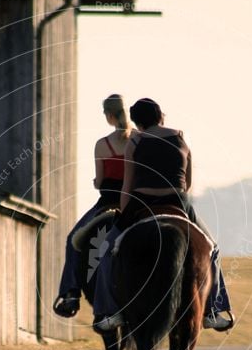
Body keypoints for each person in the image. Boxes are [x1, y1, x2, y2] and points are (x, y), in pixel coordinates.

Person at [92, 97, 234, 332]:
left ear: (137, 122)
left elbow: (127, 185)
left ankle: (111, 312)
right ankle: (211, 311)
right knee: (212, 249)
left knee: (107, 250)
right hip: (177, 202)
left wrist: (124, 215)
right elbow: (187, 183)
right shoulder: (180, 139)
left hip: (142, 203)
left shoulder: (135, 143)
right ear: (161, 116)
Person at [53, 94, 135, 317]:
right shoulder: (140, 139)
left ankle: (71, 295)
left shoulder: (102, 145)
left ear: (109, 116)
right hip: (135, 204)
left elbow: (99, 181)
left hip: (108, 204)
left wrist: (98, 182)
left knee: (73, 240)